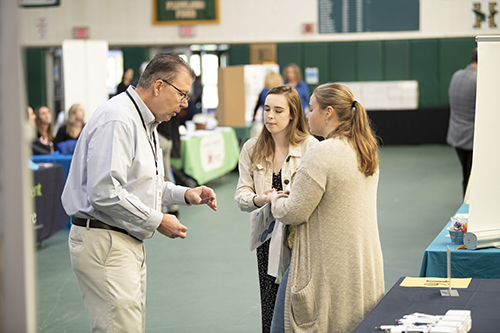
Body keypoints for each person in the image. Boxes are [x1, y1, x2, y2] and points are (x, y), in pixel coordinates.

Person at [61, 53, 217, 332]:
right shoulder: (118, 119)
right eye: (181, 94)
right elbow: (105, 191)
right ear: (158, 86)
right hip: (105, 240)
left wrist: (185, 194)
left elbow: (143, 184)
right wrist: (158, 220)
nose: (184, 104)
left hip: (123, 240)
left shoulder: (145, 122)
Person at [266, 83, 384, 332]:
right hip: (359, 264)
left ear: (328, 112)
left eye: (311, 109)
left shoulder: (322, 152)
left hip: (325, 267)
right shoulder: (364, 148)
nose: (307, 115)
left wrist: (275, 199)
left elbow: (293, 212)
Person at [235, 85, 318, 333]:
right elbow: (241, 195)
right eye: (267, 109)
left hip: (300, 239)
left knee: (301, 303)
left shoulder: (311, 147)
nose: (270, 116)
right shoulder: (251, 148)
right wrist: (259, 199)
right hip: (267, 239)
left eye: (278, 110)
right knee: (270, 302)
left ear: (293, 114)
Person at [447, 48, 478, 196]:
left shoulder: (456, 75)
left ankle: (466, 205)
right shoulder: (479, 79)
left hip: (456, 135)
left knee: (466, 175)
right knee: (472, 177)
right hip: (472, 138)